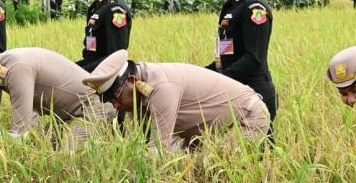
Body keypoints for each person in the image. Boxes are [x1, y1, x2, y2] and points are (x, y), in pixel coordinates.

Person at [83, 49, 270, 150]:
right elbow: (145, 142)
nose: (116, 106)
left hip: (246, 118)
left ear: (132, 81)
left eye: (115, 98)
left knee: (221, 177)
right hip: (209, 133)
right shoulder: (137, 94)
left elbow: (159, 149)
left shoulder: (161, 88)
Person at [0, 42, 104, 141]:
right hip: (67, 117)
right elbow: (30, 118)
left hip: (91, 111)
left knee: (67, 161)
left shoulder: (15, 68)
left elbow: (20, 132)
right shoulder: (4, 69)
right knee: (45, 146)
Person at [206, 0, 277, 125]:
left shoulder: (255, 9)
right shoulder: (231, 7)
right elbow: (226, 54)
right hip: (233, 91)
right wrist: (202, 73)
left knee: (259, 151)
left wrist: (218, 79)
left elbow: (254, 58)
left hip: (254, 93)